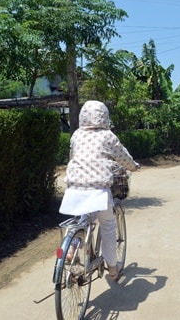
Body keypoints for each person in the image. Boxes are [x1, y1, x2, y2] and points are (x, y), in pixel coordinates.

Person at [59, 100, 139, 280]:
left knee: (82, 219)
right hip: (97, 190)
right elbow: (122, 156)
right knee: (108, 225)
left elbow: (74, 157)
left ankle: (71, 248)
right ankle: (112, 267)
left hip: (74, 188)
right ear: (105, 116)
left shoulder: (76, 135)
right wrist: (133, 166)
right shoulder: (108, 136)